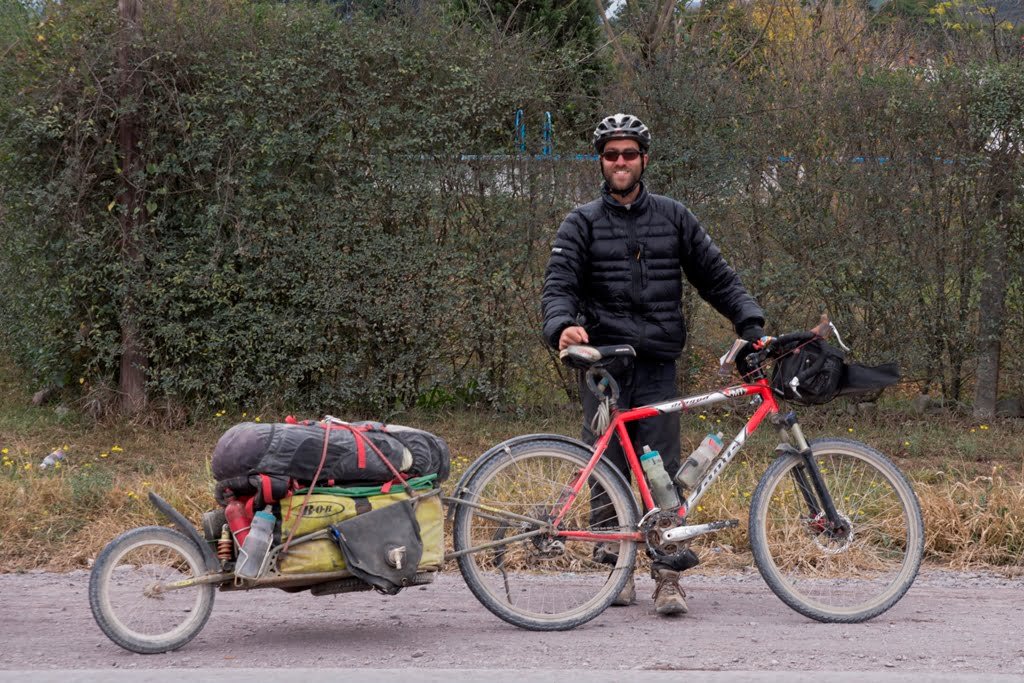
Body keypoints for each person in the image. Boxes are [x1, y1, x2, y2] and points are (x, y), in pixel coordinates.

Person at [541, 113, 766, 616]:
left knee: (661, 471)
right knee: (608, 467)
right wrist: (561, 327)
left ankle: (667, 575)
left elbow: (718, 278)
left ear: (644, 159)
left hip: (659, 362)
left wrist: (749, 322)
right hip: (605, 365)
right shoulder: (581, 222)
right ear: (600, 161)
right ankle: (614, 570)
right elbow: (559, 287)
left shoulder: (673, 216)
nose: (620, 162)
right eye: (610, 154)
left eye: (629, 154)